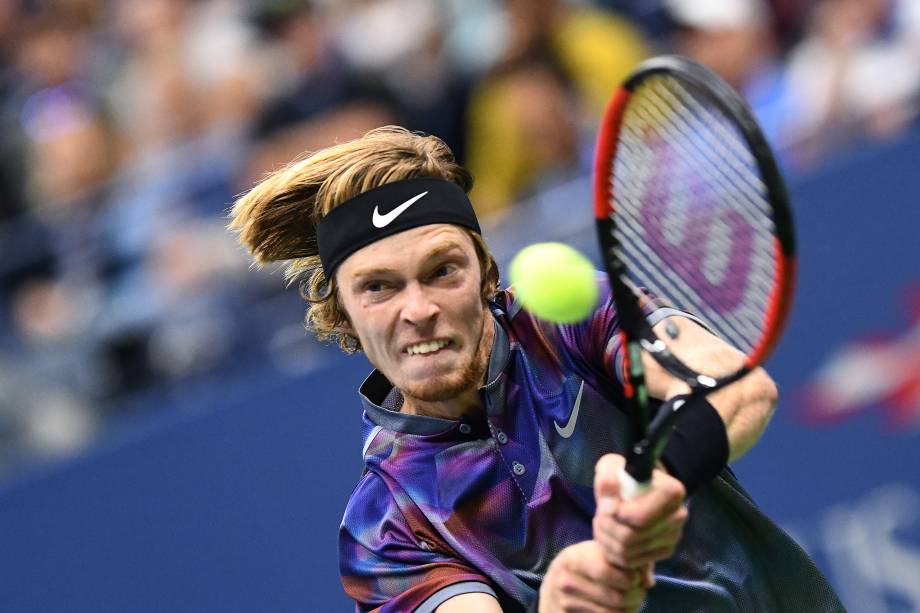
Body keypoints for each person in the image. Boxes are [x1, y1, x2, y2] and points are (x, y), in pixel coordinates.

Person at [229, 126, 844, 612]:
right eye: (379, 288)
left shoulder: (567, 323)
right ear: (343, 314)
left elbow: (739, 389)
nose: (418, 310)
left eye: (443, 270)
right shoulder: (387, 524)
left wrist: (662, 479)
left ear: (485, 274)